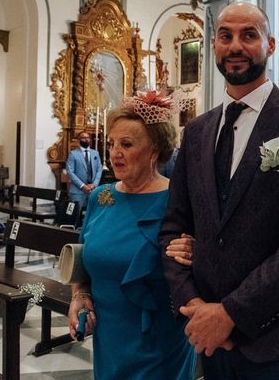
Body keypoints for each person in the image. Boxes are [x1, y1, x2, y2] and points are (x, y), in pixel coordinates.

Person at [159, 2, 279, 379]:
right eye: (225, 36)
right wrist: (194, 305)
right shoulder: (197, 132)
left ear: (269, 45)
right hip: (204, 325)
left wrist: (231, 314)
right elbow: (173, 227)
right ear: (214, 47)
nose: (235, 45)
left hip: (274, 332)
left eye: (248, 35)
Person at [67, 92, 196, 379]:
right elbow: (83, 256)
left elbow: (202, 261)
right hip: (109, 336)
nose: (114, 152)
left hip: (160, 340)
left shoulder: (179, 200)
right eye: (112, 143)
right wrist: (80, 295)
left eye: (126, 144)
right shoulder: (101, 197)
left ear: (154, 150)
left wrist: (197, 252)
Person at [66, 131, 103, 209]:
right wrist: (82, 186)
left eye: (88, 138)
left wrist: (94, 184)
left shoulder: (95, 153)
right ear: (79, 140)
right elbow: (70, 172)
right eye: (84, 138)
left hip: (93, 189)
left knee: (92, 214)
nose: (86, 139)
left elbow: (99, 169)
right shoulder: (73, 154)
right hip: (78, 190)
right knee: (76, 215)